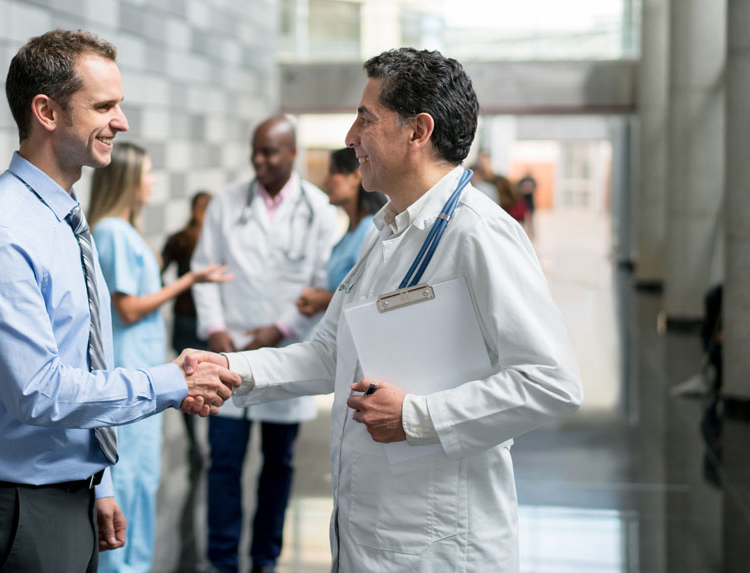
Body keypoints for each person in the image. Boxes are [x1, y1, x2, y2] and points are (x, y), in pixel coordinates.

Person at [186, 48, 583, 571]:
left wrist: (417, 416)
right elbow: (332, 354)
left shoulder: (480, 234)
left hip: (439, 544)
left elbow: (551, 381)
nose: (350, 137)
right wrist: (233, 368)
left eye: (365, 119)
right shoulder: (388, 231)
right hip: (371, 533)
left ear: (418, 131)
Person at [0, 29, 238, 572]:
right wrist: (172, 381)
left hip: (66, 495)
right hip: (20, 509)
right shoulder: (1, 235)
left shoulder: (66, 222)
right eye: (104, 106)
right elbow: (40, 391)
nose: (121, 123)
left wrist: (98, 480)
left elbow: (83, 358)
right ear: (46, 111)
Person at [191, 115, 339, 573]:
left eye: (269, 152)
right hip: (228, 351)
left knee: (279, 464)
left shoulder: (318, 210)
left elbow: (321, 285)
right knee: (225, 462)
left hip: (284, 353)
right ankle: (221, 560)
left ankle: (265, 559)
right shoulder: (226, 203)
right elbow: (203, 271)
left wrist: (280, 329)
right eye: (255, 150)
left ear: (292, 153)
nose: (259, 160)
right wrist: (215, 331)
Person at [87, 144, 231, 573]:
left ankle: (134, 563)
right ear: (128, 181)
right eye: (147, 174)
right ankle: (121, 566)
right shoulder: (112, 232)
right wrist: (187, 279)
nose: (151, 182)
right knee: (127, 477)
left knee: (142, 476)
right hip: (130, 370)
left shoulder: (125, 231)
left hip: (146, 369)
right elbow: (128, 308)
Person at [295, 147, 386, 317]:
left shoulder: (371, 230)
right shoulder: (350, 233)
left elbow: (372, 298)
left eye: (333, 172)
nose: (325, 183)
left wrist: (326, 300)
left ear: (356, 176)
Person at [162, 190, 214, 463]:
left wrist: (170, 292)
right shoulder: (215, 242)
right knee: (213, 381)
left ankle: (195, 444)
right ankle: (207, 443)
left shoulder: (179, 239)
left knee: (187, 384)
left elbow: (156, 273)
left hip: (185, 318)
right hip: (208, 322)